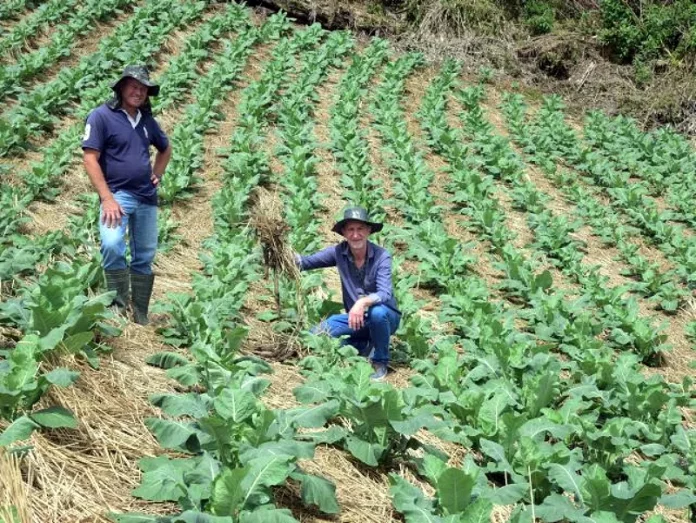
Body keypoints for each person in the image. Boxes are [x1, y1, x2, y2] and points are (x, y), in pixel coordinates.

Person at [82, 65, 172, 325]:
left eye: (143, 88)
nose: (139, 92)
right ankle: (118, 308)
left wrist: (158, 173)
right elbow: (90, 159)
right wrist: (107, 198)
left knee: (144, 255)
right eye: (134, 86)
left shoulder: (146, 121)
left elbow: (165, 149)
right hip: (118, 196)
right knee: (111, 245)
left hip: (146, 198)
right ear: (121, 88)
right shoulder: (101, 116)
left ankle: (140, 314)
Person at [296, 207, 401, 381]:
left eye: (360, 229)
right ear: (344, 232)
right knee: (318, 335)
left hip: (385, 318)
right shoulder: (338, 252)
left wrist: (362, 303)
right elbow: (305, 262)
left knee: (377, 312)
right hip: (356, 319)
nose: (355, 235)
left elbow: (384, 293)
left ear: (368, 231)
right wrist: (281, 252)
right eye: (351, 229)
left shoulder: (382, 256)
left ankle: (380, 361)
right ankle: (364, 344)